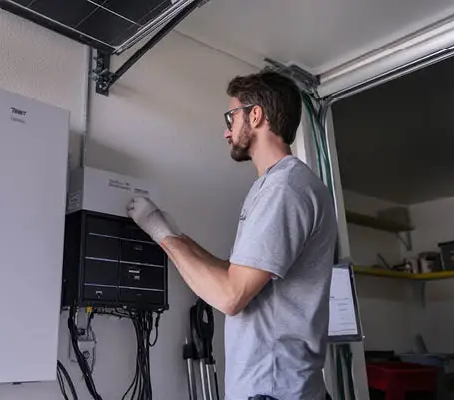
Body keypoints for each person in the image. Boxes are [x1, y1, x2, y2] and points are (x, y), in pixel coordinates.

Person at [127, 71, 338, 400]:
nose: (227, 131)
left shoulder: (285, 189)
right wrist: (177, 236)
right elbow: (234, 273)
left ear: (256, 115)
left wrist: (159, 233)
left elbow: (230, 296)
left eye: (232, 117)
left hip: (275, 391)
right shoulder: (272, 187)